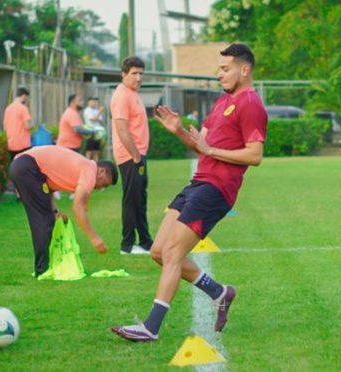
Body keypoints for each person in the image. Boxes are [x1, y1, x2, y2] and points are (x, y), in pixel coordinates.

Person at [111, 43, 267, 341]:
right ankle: (219, 292)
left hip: (217, 189)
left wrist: (211, 150)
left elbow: (254, 155)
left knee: (172, 253)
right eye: (219, 69)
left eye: (225, 69)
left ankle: (151, 327)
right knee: (158, 252)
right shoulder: (223, 102)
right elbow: (200, 145)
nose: (219, 74)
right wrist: (178, 130)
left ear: (244, 70)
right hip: (198, 183)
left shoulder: (250, 103)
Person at [8, 145, 118, 276]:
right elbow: (78, 207)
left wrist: (55, 212)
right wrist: (94, 238)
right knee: (43, 220)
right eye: (104, 184)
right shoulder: (90, 169)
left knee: (46, 218)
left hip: (22, 166)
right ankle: (43, 270)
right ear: (102, 171)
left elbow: (48, 186)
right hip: (27, 167)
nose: (100, 188)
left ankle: (45, 267)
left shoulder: (81, 169)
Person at [110, 56, 153, 255]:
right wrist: (135, 156)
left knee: (140, 199)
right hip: (130, 156)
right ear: (124, 75)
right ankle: (127, 245)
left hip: (138, 154)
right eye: (134, 73)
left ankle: (145, 241)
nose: (138, 77)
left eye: (141, 73)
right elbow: (121, 129)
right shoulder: (122, 95)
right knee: (131, 200)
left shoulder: (133, 93)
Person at [3, 87, 33, 159]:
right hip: (23, 144)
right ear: (23, 96)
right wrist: (33, 126)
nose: (26, 99)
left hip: (11, 145)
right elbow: (27, 126)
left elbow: (4, 127)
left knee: (14, 165)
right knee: (24, 167)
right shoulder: (23, 108)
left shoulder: (8, 109)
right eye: (26, 97)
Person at [83, 97, 105, 161]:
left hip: (97, 133)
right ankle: (87, 165)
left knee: (96, 151)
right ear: (88, 102)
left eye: (95, 102)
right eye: (92, 101)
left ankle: (96, 165)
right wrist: (99, 113)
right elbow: (92, 120)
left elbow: (101, 121)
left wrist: (97, 116)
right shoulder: (87, 110)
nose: (94, 103)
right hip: (90, 132)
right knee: (89, 151)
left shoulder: (96, 110)